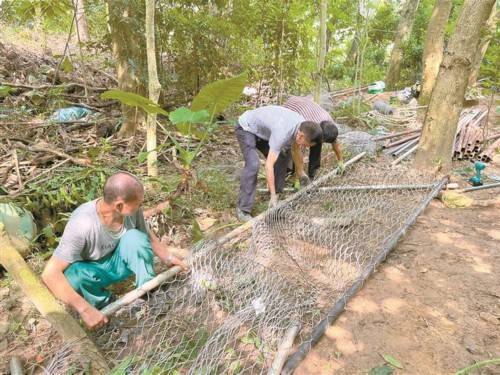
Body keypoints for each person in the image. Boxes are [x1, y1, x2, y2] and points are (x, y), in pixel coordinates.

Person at [41, 172, 187, 329]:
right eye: (138, 203)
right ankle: (106, 309)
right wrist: (84, 309)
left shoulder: (132, 211)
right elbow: (49, 274)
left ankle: (150, 292)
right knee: (73, 277)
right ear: (119, 206)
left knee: (135, 238)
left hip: (120, 261)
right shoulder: (82, 224)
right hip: (94, 270)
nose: (140, 206)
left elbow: (148, 238)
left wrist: (169, 258)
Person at [235, 105, 323, 222]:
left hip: (264, 132)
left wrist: (301, 172)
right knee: (253, 164)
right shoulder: (283, 132)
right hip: (246, 127)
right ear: (300, 136)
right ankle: (243, 209)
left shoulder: (303, 126)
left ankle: (276, 196)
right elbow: (268, 165)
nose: (305, 147)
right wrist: (272, 195)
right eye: (306, 144)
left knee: (282, 157)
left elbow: (295, 150)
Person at [283, 95, 344, 179]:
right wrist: (298, 175)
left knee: (316, 142)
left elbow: (335, 142)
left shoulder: (329, 121)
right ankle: (289, 171)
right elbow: (299, 151)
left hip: (303, 103)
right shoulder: (306, 125)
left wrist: (340, 161)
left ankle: (314, 172)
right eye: (322, 141)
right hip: (290, 108)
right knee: (292, 145)